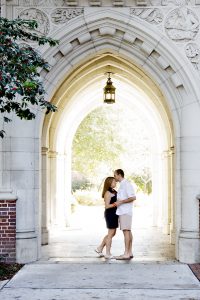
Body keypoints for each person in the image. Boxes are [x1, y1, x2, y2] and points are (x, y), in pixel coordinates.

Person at [114, 169, 136, 260]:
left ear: (119, 175)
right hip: (123, 211)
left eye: (115, 175)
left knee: (126, 231)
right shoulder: (122, 185)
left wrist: (121, 202)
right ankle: (129, 252)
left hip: (125, 211)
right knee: (128, 231)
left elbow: (133, 197)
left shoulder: (126, 184)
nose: (114, 177)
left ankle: (126, 253)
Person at [95, 177, 118, 259]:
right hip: (110, 214)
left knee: (112, 234)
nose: (115, 183)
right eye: (114, 182)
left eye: (115, 181)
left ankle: (100, 248)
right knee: (110, 234)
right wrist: (116, 203)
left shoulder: (114, 191)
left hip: (115, 214)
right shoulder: (107, 193)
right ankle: (107, 253)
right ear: (109, 183)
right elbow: (107, 206)